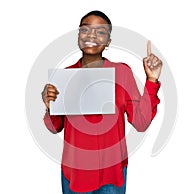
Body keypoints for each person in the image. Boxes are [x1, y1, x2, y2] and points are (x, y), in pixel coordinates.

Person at [42, 10, 163, 194]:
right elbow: (54, 127)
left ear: (108, 42)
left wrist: (152, 81)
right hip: (75, 174)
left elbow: (141, 122)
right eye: (85, 29)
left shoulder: (121, 73)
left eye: (100, 31)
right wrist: (49, 106)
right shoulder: (65, 76)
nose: (91, 35)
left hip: (112, 174)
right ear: (78, 35)